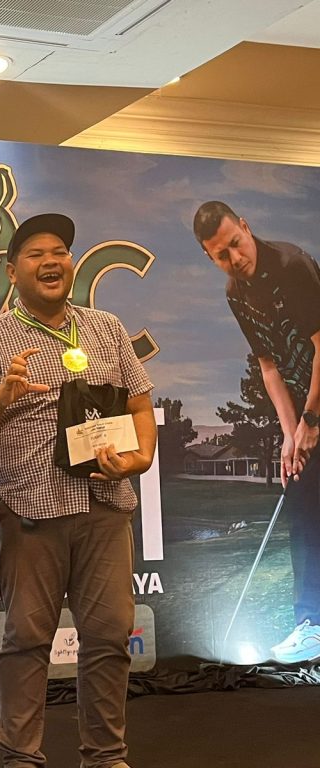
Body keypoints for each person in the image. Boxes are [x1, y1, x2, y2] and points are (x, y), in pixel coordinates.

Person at [0, 213, 156, 768]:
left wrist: (140, 457)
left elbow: (139, 403)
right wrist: (2, 396)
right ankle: (21, 757)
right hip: (31, 512)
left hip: (105, 506)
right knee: (26, 640)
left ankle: (105, 755)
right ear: (12, 271)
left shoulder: (106, 327)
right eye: (36, 253)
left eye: (60, 251)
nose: (51, 261)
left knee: (110, 637)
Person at [193, 200, 320, 664]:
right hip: (305, 408)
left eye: (236, 244)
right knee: (303, 500)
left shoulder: (292, 266)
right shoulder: (236, 294)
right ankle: (312, 625)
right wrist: (290, 435)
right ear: (209, 257)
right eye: (221, 255)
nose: (234, 258)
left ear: (245, 227)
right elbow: (269, 367)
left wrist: (310, 421)